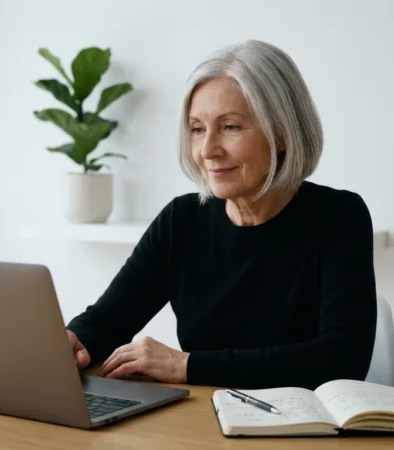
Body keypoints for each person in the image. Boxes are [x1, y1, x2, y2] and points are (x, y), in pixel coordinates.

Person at [66, 39, 377, 390]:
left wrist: (188, 365)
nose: (207, 150)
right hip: (203, 425)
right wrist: (73, 341)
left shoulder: (339, 217)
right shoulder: (181, 220)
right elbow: (108, 321)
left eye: (230, 127)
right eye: (197, 129)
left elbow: (342, 360)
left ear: (281, 133)